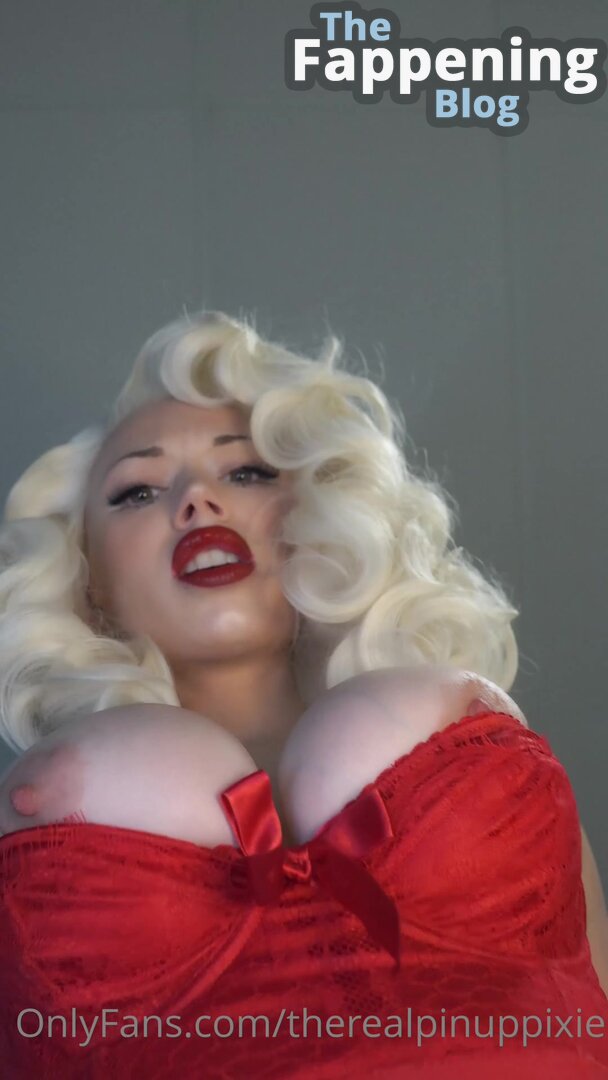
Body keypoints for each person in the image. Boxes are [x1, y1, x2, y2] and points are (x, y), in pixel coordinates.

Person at [0, 310, 606, 1078]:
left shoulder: (475, 777)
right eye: (137, 491)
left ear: (321, 521)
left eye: (246, 472)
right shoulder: (46, 838)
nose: (196, 500)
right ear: (87, 578)